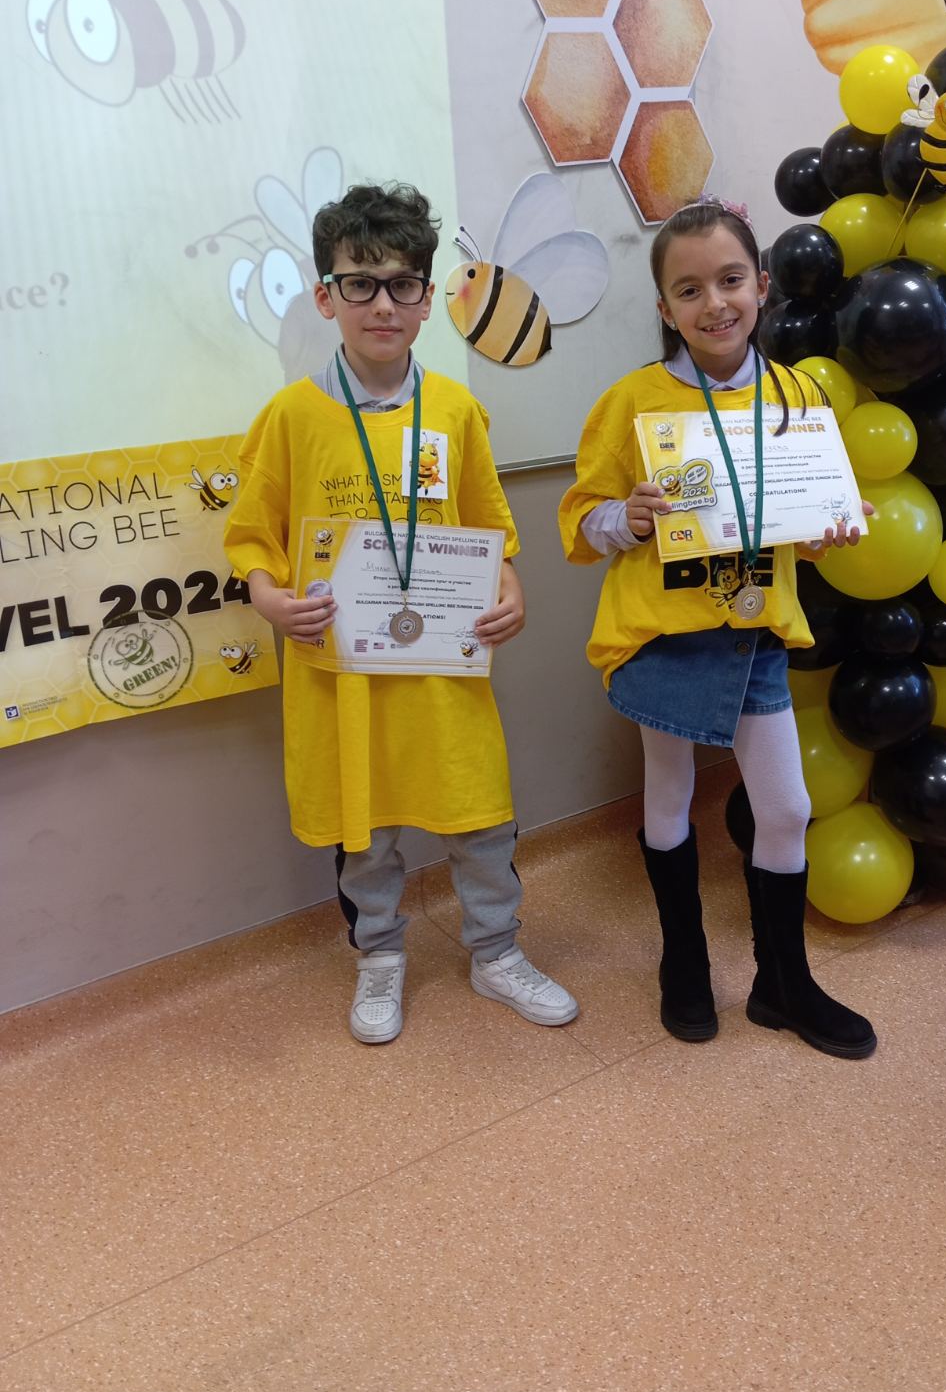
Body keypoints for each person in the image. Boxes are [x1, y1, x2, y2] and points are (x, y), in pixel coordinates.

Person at [225, 183, 577, 1043]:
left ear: (427, 300)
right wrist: (270, 598)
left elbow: (489, 528)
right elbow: (251, 537)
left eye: (402, 284)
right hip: (340, 675)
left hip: (440, 670)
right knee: (364, 832)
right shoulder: (291, 417)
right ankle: (378, 957)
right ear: (326, 297)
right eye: (360, 283)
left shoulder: (453, 410)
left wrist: (510, 590)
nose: (382, 304)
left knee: (478, 817)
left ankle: (496, 952)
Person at [558, 197, 875, 1058]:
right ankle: (685, 962)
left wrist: (828, 527)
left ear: (761, 286)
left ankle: (783, 983)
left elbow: (802, 515)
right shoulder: (632, 400)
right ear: (665, 308)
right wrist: (625, 518)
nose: (714, 304)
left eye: (730, 280)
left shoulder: (796, 393)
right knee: (669, 798)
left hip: (754, 628)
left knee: (786, 807)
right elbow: (581, 519)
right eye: (689, 290)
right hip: (665, 632)